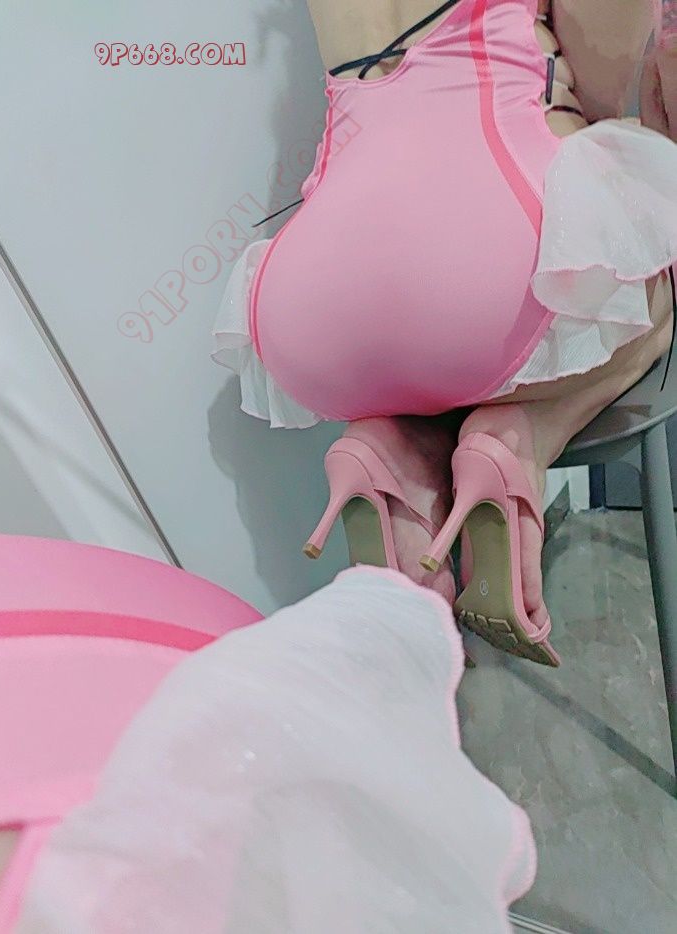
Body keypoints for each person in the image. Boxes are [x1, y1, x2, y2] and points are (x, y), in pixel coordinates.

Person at [211, 0, 677, 666]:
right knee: (653, 282)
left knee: (437, 363)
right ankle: (519, 442)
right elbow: (604, 96)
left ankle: (399, 451)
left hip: (309, 305)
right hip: (487, 272)